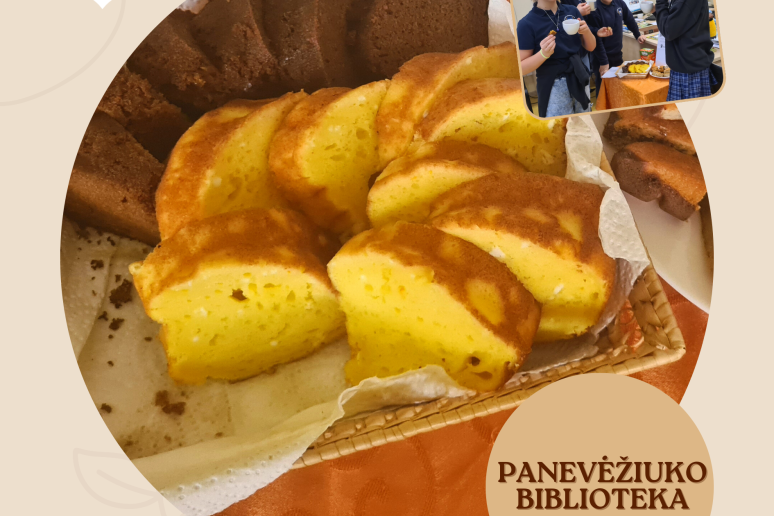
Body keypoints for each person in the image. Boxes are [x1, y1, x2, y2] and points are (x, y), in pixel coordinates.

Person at [517, 0, 597, 117]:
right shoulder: (526, 24)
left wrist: (587, 32)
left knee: (584, 119)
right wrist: (543, 54)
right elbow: (522, 68)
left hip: (579, 75)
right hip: (553, 84)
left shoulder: (572, 11)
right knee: (561, 125)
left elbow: (591, 47)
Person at [655, 0, 716, 101]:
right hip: (691, 62)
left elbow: (669, 30)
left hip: (687, 70)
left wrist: (661, 4)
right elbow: (679, 23)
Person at [587, 0, 647, 91]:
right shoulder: (594, 8)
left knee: (618, 85)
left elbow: (629, 19)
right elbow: (596, 38)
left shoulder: (619, 3)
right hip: (601, 57)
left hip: (617, 53)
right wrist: (604, 62)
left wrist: (637, 35)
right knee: (604, 88)